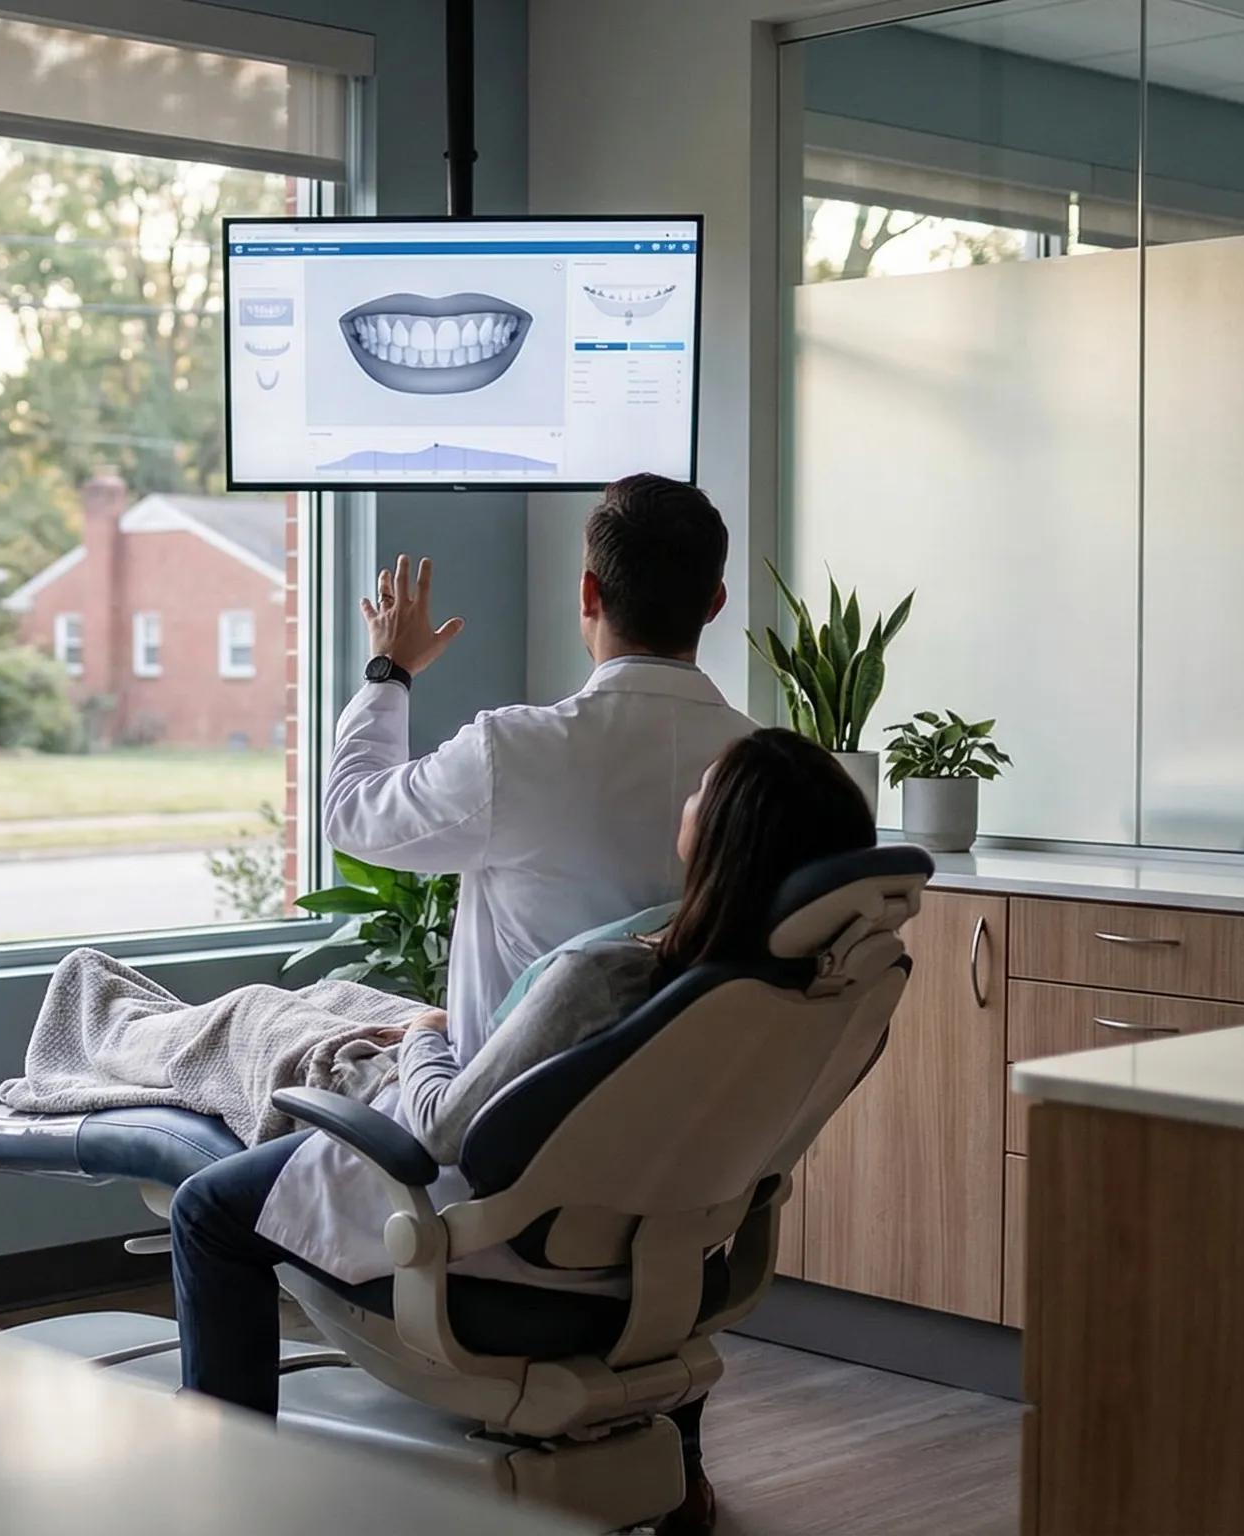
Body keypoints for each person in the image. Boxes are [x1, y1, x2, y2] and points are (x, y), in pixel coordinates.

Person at [170, 729, 878, 1536]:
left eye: (699, 792)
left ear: (726, 838)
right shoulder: (783, 1003)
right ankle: (678, 1474)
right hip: (662, 1268)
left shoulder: (608, 977)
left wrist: (426, 1035)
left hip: (497, 1247)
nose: (684, 802)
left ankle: (228, 1499)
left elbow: (441, 1127)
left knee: (206, 1210)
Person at [323, 471, 757, 1066]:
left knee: (253, 1014)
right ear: (715, 603)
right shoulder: (764, 774)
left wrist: (390, 671)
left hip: (490, 1104)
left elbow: (352, 814)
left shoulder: (514, 751)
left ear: (588, 592)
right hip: (678, 1102)